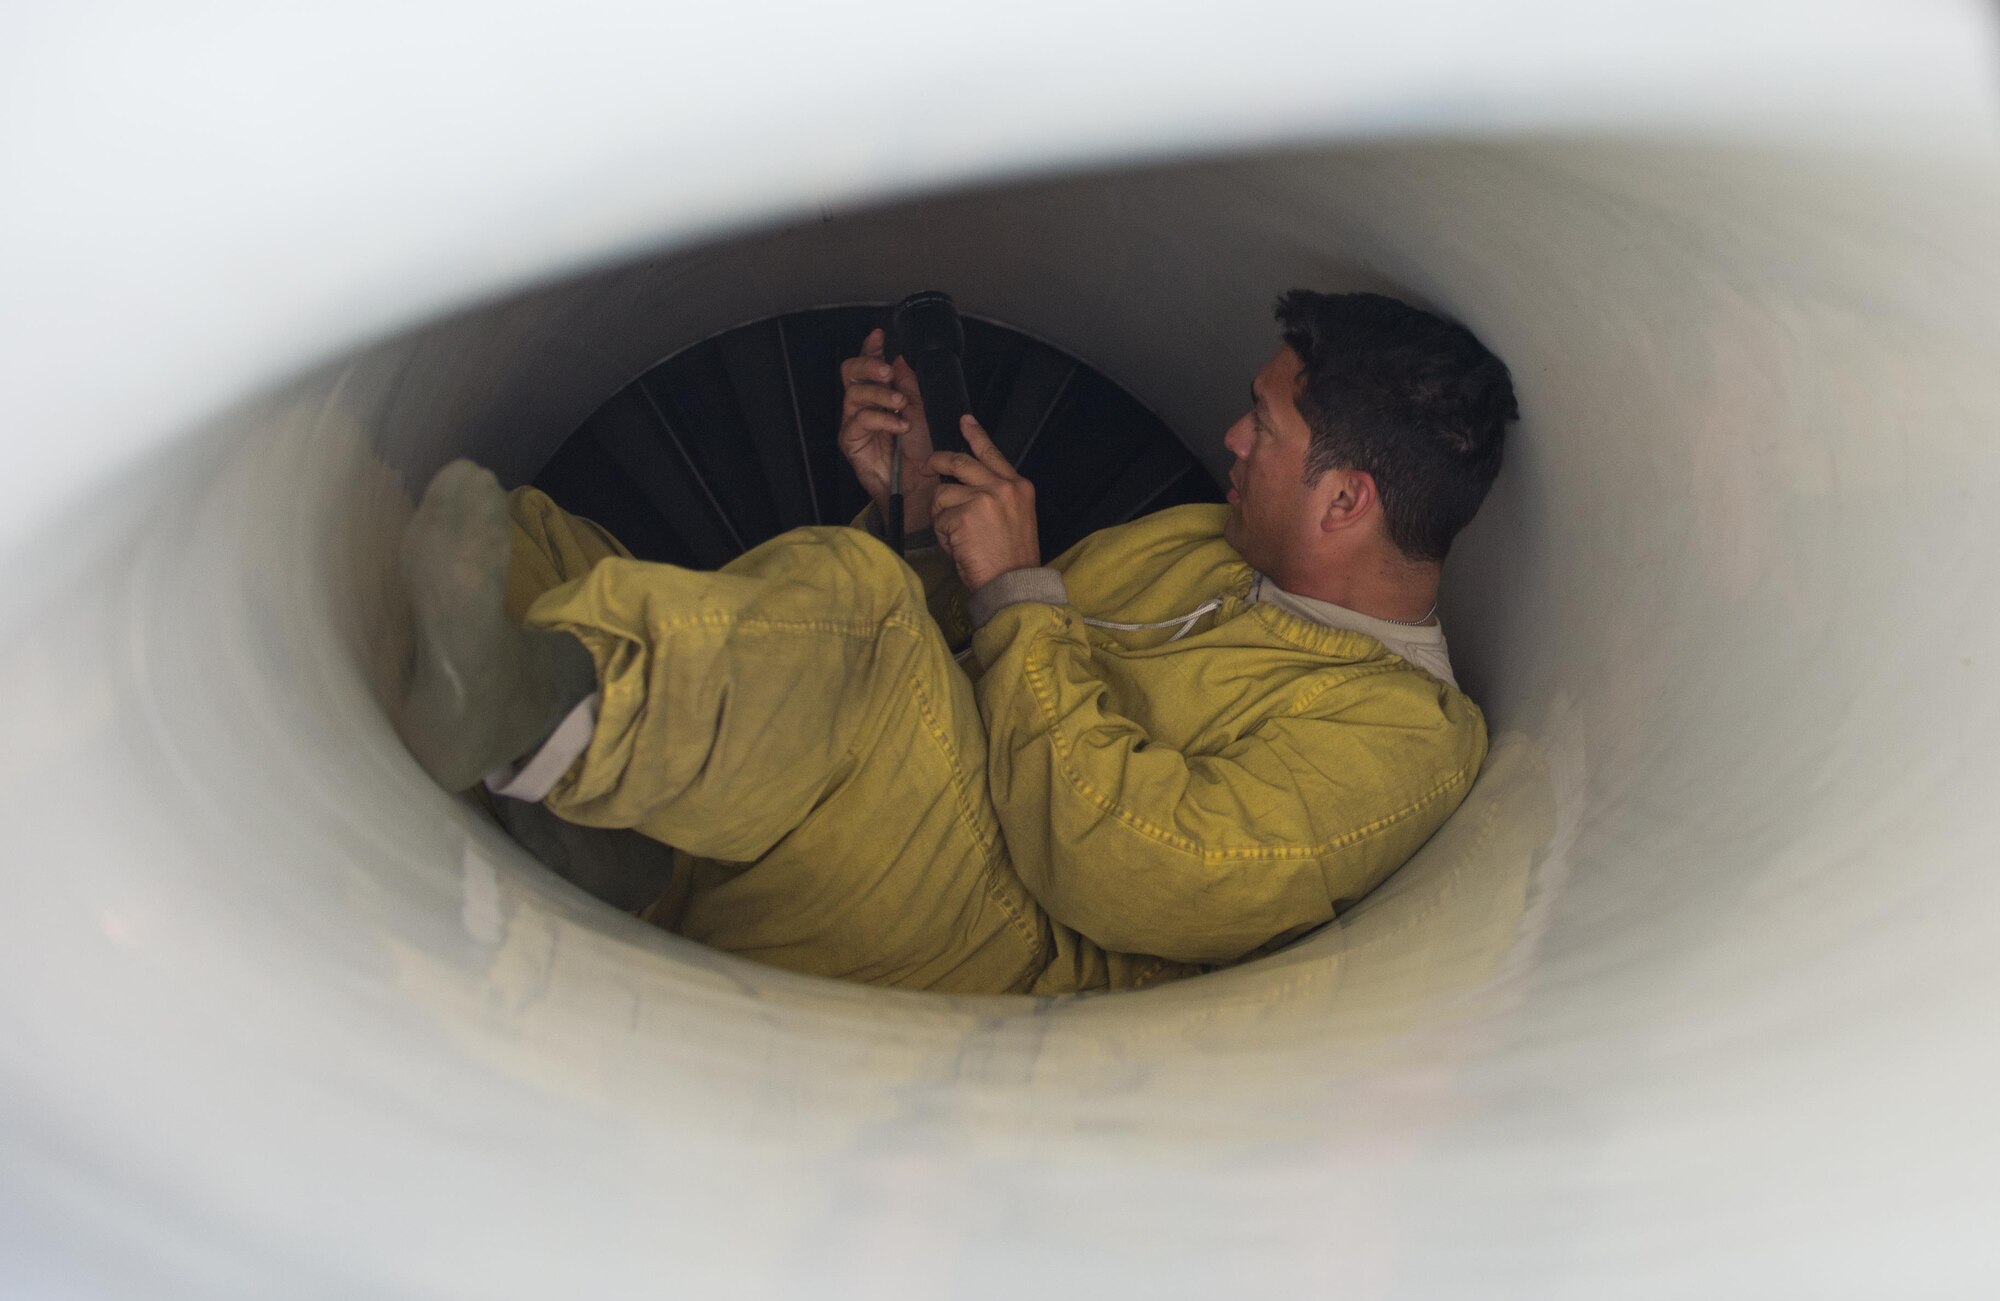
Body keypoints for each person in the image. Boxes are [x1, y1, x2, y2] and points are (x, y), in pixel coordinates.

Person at [396, 290, 1517, 994]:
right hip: (926, 802)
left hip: (1006, 935)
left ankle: (556, 735)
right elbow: (968, 643)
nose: (1228, 435)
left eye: (1264, 426)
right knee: (548, 548)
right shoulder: (1210, 541)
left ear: (1344, 501)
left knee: (860, 606)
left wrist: (1016, 589)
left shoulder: (1402, 739)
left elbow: (1119, 868)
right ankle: (599, 806)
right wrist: (910, 508)